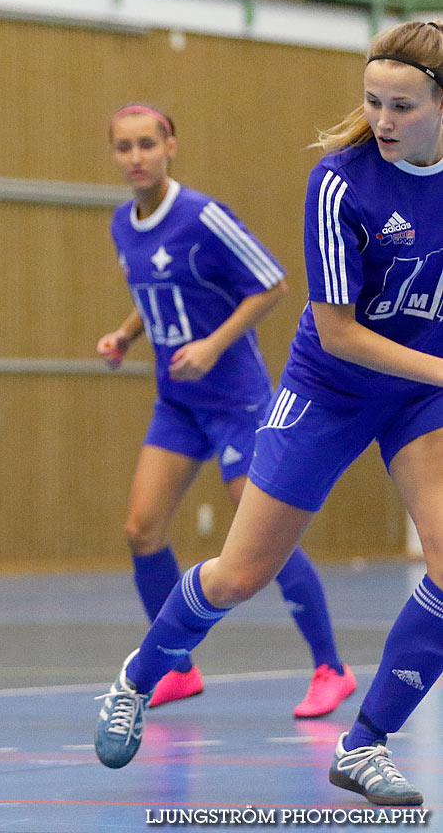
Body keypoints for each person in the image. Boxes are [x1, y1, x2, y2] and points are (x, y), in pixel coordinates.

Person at [93, 22, 443, 810]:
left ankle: (366, 743)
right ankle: (137, 679)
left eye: (403, 106)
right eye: (373, 102)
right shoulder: (340, 183)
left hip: (421, 394)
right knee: (240, 574)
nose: (383, 121)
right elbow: (338, 330)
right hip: (332, 387)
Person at [97, 104, 354, 717]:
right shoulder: (120, 224)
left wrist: (212, 347)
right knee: (141, 529)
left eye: (146, 145)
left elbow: (272, 283)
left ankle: (331, 667)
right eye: (124, 147)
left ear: (170, 147)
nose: (135, 157)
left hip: (236, 399)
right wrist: (127, 334)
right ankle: (176, 669)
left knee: (260, 533)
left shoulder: (203, 216)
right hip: (177, 403)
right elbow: (155, 293)